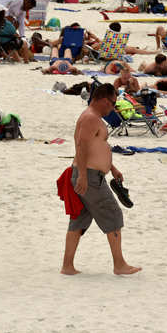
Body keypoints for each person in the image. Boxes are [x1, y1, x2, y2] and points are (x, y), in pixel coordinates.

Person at [61, 83, 140, 276]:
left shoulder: (92, 117)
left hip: (89, 174)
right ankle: (119, 264)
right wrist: (82, 176)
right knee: (113, 214)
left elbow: (97, 146)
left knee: (79, 220)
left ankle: (67, 266)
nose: (113, 108)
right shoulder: (90, 118)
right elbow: (81, 146)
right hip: (88, 176)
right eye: (112, 104)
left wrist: (112, 167)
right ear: (104, 100)